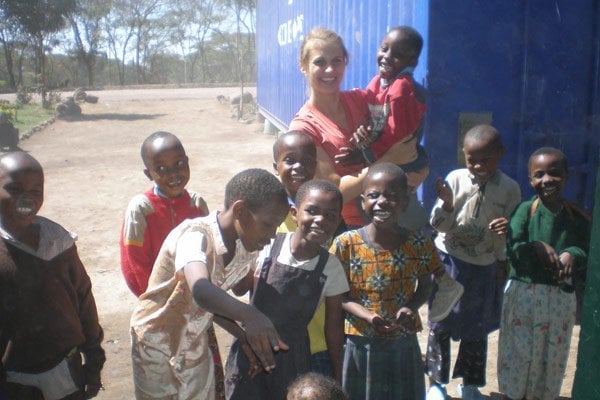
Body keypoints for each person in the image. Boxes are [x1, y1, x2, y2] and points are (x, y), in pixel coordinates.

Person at [130, 168, 290, 400]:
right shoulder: (195, 235)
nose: (273, 234)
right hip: (155, 343)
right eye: (268, 225)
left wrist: (240, 333)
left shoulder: (246, 246)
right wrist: (249, 314)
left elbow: (213, 300)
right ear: (240, 211)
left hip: (194, 339)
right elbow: (201, 289)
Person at [226, 179, 348, 399]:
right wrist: (239, 256)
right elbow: (239, 289)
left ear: (338, 220)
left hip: (292, 357)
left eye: (330, 215)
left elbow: (334, 328)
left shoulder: (331, 267)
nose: (320, 220)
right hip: (251, 348)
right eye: (312, 211)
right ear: (294, 212)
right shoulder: (268, 244)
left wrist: (338, 374)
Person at [425, 124, 521, 400]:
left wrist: (508, 229)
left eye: (486, 159)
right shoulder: (455, 179)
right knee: (440, 322)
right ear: (463, 155)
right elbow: (437, 226)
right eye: (471, 159)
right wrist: (446, 204)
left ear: (500, 154)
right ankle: (437, 384)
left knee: (476, 328)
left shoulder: (509, 189)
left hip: (482, 266)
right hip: (449, 262)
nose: (478, 165)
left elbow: (516, 227)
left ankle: (469, 385)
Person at [289, 27, 418, 229]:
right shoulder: (304, 128)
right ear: (303, 66)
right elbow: (333, 191)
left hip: (393, 212)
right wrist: (390, 160)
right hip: (351, 227)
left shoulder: (361, 99)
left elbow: (403, 135)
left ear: (345, 63)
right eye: (319, 62)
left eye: (336, 61)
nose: (330, 70)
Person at [0, 152, 105, 400]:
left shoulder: (58, 242)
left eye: (36, 189)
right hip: (16, 379)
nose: (26, 198)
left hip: (67, 369)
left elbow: (83, 298)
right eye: (14, 188)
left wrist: (93, 355)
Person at [333, 162, 441, 399]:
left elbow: (425, 286)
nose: (381, 202)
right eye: (373, 195)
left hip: (402, 342)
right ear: (363, 201)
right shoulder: (345, 244)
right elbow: (338, 294)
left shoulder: (419, 244)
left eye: (392, 196)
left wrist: (410, 308)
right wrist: (367, 315)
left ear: (405, 201)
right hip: (360, 344)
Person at [497, 147, 591, 400]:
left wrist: (572, 252)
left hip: (559, 299)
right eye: (539, 175)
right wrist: (535, 247)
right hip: (524, 295)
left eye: (554, 173)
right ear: (530, 180)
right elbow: (513, 248)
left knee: (552, 352)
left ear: (566, 176)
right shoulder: (524, 211)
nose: (546, 180)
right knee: (520, 351)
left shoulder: (577, 217)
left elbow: (587, 249)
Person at [270, 131, 341, 379]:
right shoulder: (266, 222)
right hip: (276, 344)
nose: (299, 167)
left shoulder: (327, 215)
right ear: (275, 166)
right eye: (290, 160)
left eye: (307, 160)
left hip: (318, 342)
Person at [355, 26, 430, 231]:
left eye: (398, 55)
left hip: (402, 158)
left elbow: (397, 135)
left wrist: (367, 155)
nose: (387, 56)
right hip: (384, 153)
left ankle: (412, 236)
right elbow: (366, 113)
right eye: (384, 48)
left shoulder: (402, 88)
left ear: (412, 62)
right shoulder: (377, 82)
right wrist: (363, 134)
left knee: (396, 206)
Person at [120, 131, 209, 297]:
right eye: (161, 168)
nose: (173, 173)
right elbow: (135, 263)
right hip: (157, 298)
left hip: (193, 296)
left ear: (188, 162)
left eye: (179, 163)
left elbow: (207, 252)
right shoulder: (142, 209)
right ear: (148, 174)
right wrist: (153, 297)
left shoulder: (197, 204)